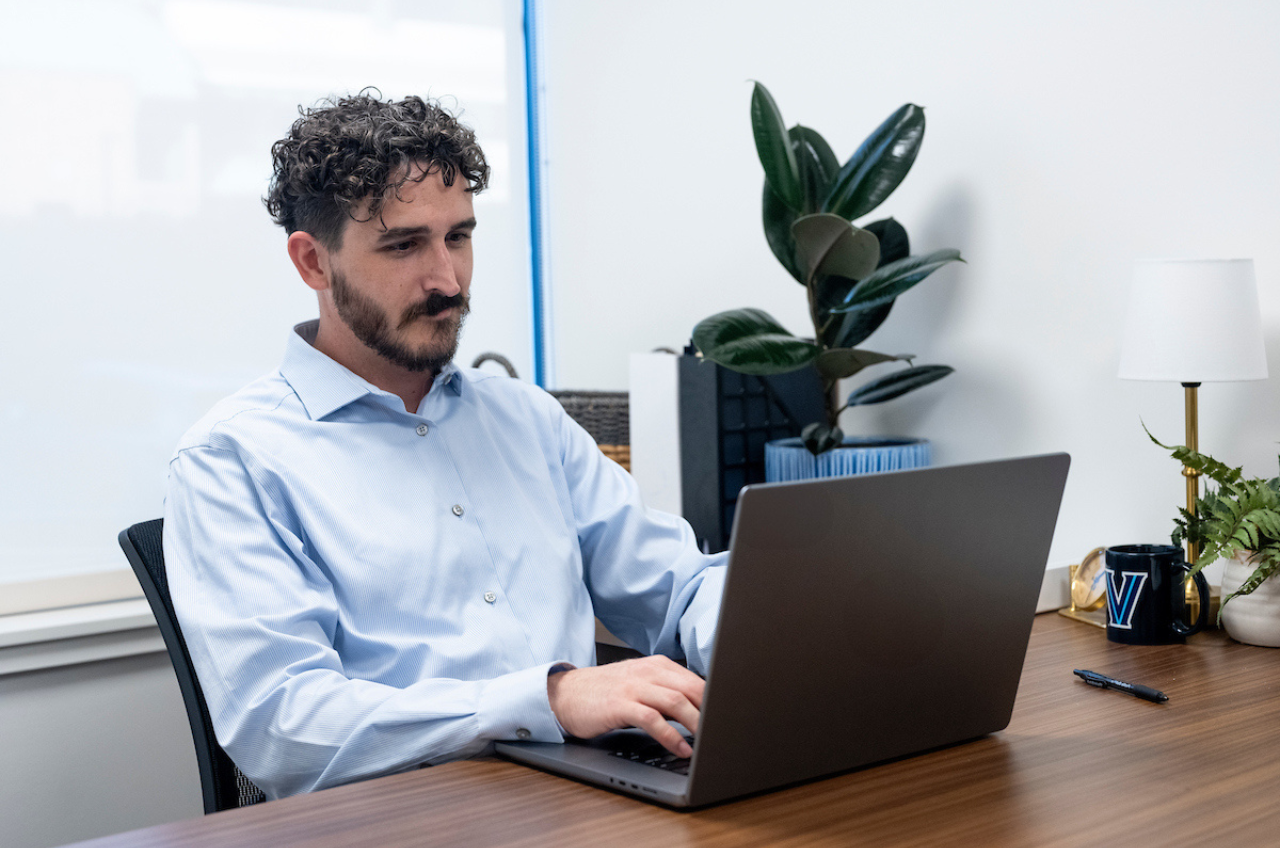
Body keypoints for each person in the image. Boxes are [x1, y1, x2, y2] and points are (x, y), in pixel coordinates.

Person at [163, 91, 726, 800]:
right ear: (313, 263)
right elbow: (284, 728)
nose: (447, 279)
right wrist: (547, 701)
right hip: (400, 820)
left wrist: (770, 626)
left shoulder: (526, 419)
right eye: (404, 245)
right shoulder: (231, 460)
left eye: (458, 236)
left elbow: (676, 587)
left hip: (581, 798)